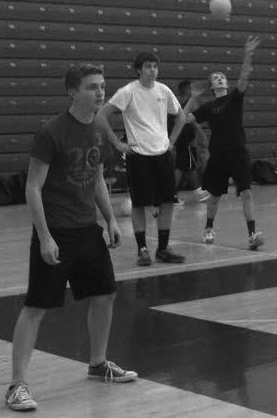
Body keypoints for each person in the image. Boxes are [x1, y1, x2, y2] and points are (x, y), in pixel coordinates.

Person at [5, 64, 138, 412]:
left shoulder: (98, 128)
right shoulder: (51, 132)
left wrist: (109, 220)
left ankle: (97, 363)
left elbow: (95, 178)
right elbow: (33, 188)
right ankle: (17, 385)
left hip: (87, 229)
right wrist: (45, 236)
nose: (100, 92)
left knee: (105, 294)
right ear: (72, 93)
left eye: (102, 86)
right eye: (92, 87)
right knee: (36, 307)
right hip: (57, 231)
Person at [96, 52, 189, 266]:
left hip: (162, 154)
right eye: (148, 66)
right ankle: (142, 250)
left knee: (167, 201)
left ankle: (163, 248)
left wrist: (171, 141)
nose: (152, 70)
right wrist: (118, 143)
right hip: (138, 156)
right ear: (139, 69)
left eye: (155, 66)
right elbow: (102, 115)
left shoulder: (163, 90)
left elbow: (181, 116)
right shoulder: (128, 91)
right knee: (139, 204)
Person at [188, 36, 264, 250]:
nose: (220, 78)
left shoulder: (234, 98)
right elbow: (186, 119)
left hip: (238, 153)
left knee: (247, 192)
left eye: (222, 76)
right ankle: (208, 229)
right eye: (216, 77)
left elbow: (244, 77)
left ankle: (252, 235)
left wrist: (248, 54)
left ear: (226, 83)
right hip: (218, 156)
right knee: (214, 196)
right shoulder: (208, 106)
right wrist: (193, 98)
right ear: (212, 85)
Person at [168, 80, 209, 205]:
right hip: (184, 138)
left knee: (185, 166)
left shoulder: (181, 103)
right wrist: (201, 135)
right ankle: (173, 194)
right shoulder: (187, 104)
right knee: (184, 166)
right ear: (187, 90)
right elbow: (191, 122)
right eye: (192, 88)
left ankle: (175, 194)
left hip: (181, 137)